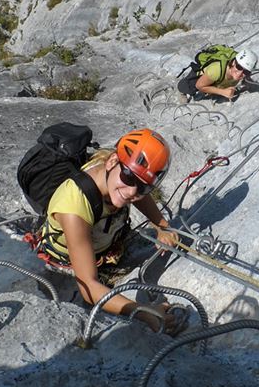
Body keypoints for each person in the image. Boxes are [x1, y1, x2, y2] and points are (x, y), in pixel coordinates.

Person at [37, 128, 182, 334]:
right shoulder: (74, 207)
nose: (132, 192)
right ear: (113, 161)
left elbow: (135, 187)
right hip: (71, 265)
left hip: (105, 249)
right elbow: (88, 287)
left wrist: (161, 225)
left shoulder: (112, 173)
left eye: (143, 187)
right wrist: (143, 311)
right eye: (129, 178)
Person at [177, 47, 258, 101]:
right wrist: (223, 92)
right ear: (233, 62)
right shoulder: (216, 70)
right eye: (239, 67)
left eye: (246, 71)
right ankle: (183, 90)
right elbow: (199, 86)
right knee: (187, 87)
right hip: (204, 74)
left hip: (219, 77)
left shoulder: (240, 69)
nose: (240, 73)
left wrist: (247, 79)